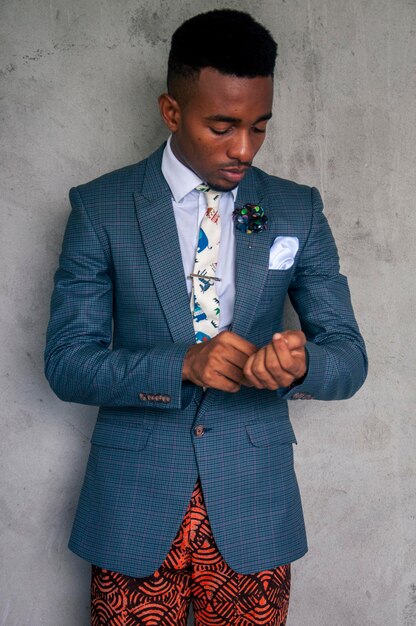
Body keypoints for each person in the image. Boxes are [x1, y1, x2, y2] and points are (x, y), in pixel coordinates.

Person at [44, 9, 367, 625]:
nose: (243, 148)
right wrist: (182, 365)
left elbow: (348, 357)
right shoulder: (101, 207)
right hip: (133, 505)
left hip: (253, 501)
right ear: (172, 112)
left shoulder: (295, 209)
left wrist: (299, 366)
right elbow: (67, 363)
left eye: (258, 127)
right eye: (222, 126)